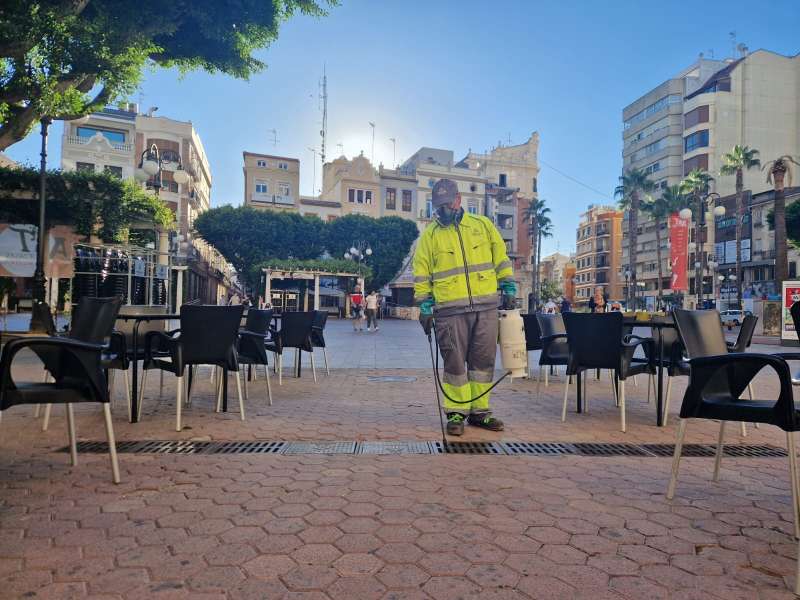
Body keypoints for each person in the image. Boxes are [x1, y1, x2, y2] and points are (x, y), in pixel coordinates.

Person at [413, 178, 515, 436]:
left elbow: (500, 258)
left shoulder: (482, 226)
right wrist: (424, 305)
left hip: (485, 308)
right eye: (438, 206)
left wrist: (508, 285)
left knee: (482, 362)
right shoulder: (430, 236)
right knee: (455, 364)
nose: (442, 210)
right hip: (449, 311)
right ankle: (457, 412)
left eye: (447, 204)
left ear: (458, 201)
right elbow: (422, 273)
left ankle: (480, 412)